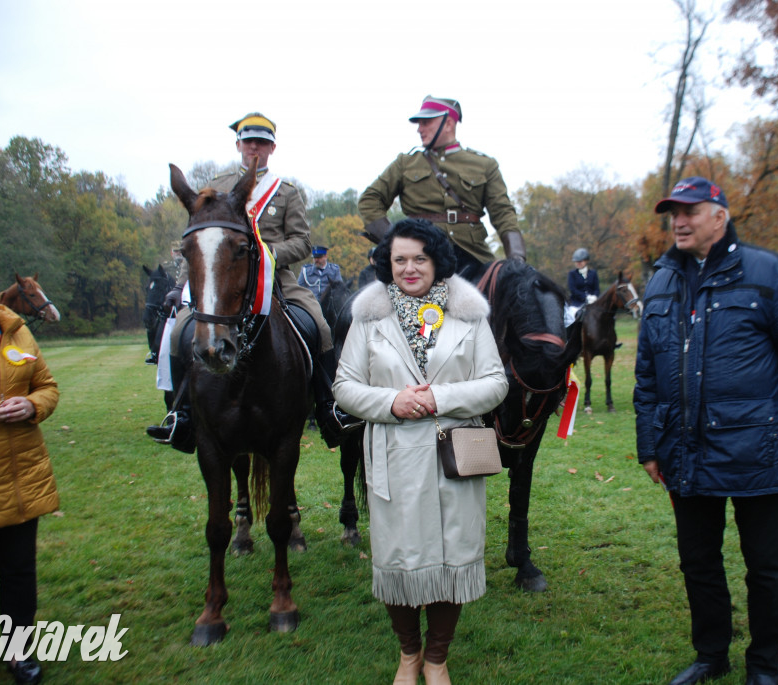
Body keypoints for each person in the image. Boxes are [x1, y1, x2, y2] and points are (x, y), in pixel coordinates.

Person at [634, 177, 778, 685]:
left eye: (690, 211)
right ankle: (711, 655)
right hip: (684, 451)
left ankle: (765, 665)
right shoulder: (660, 282)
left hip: (757, 452)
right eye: (673, 212)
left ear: (719, 216)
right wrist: (649, 447)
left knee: (764, 567)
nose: (678, 220)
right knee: (698, 562)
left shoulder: (769, 273)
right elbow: (647, 375)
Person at [332, 218, 508, 685]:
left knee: (455, 560)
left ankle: (436, 659)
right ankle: (408, 654)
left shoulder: (469, 314)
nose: (410, 269)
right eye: (400, 260)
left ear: (437, 261)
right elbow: (344, 386)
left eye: (420, 259)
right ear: (387, 265)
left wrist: (440, 398)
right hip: (394, 459)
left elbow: (496, 383)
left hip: (456, 458)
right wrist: (392, 401)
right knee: (398, 561)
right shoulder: (368, 318)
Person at [146, 112, 357, 450]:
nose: (254, 147)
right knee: (178, 332)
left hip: (276, 279)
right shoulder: (218, 186)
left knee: (320, 325)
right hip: (223, 281)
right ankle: (181, 414)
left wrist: (264, 253)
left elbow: (302, 242)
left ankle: (329, 407)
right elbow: (203, 245)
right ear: (238, 145)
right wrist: (180, 285)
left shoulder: (286, 193)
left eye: (262, 142)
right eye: (249, 141)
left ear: (272, 148)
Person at [0, 251, 59, 685]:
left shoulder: (15, 330)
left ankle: (18, 652)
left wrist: (32, 404)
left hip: (21, 476)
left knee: (19, 571)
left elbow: (47, 386)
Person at [358, 95, 526, 281]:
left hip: (473, 256)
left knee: (519, 294)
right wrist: (396, 242)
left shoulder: (484, 165)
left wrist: (517, 258)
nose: (419, 129)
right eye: (418, 124)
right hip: (418, 254)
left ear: (448, 124)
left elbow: (503, 213)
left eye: (426, 122)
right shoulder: (406, 163)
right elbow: (370, 200)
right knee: (371, 304)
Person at [564, 248, 599, 327]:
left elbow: (596, 289)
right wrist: (586, 297)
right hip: (577, 303)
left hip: (593, 302)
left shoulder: (593, 273)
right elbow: (573, 290)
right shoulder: (572, 274)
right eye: (577, 262)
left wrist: (594, 297)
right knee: (572, 318)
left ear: (586, 261)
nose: (578, 263)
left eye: (580, 261)